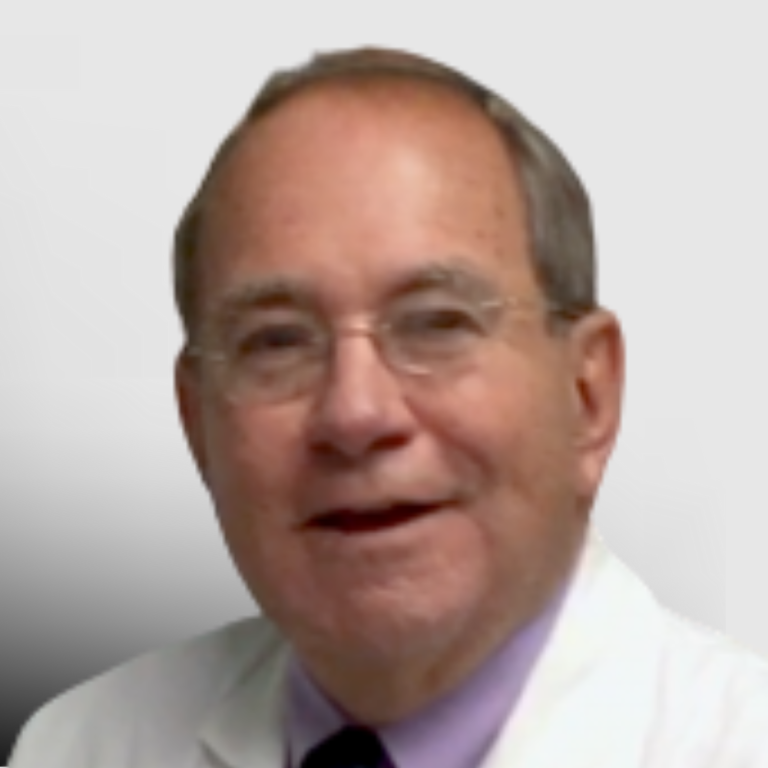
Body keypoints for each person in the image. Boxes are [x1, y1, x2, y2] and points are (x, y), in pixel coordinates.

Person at [10, 46, 768, 768]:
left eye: (436, 323)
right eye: (277, 340)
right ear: (198, 425)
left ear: (587, 396)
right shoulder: (79, 747)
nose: (355, 413)